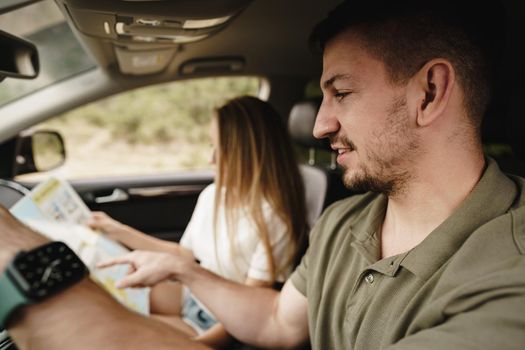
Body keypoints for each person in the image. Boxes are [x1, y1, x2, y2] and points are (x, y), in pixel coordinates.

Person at [1, 1, 524, 349]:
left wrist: (30, 272)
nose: (319, 123)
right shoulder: (348, 221)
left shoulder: (509, 278)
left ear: (429, 93)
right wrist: (185, 272)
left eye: (341, 93)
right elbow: (279, 321)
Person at [88, 95, 308, 348]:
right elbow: (184, 254)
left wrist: (199, 344)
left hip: (223, 323)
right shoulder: (213, 194)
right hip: (191, 297)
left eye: (219, 148)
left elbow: (251, 305)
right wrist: (117, 230)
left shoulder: (274, 218)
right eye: (210, 145)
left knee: (121, 336)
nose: (210, 159)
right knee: (103, 304)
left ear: (245, 154)